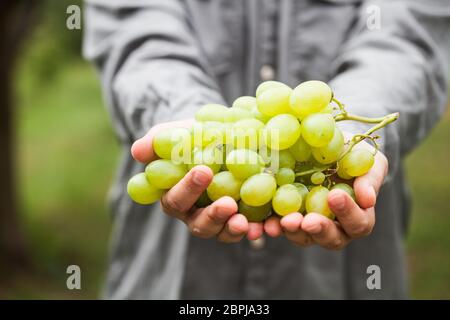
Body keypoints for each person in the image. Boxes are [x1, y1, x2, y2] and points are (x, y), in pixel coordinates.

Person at [83, 0, 450, 299]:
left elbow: (406, 39)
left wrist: (347, 129)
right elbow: (140, 38)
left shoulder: (344, 146)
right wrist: (183, 120)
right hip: (169, 277)